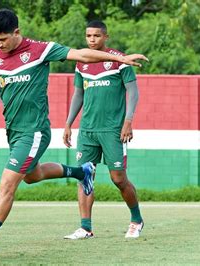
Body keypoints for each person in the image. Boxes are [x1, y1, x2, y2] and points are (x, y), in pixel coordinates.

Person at [0, 9, 148, 257]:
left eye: (3, 39)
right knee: (31, 175)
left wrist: (120, 59)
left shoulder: (41, 50)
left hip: (35, 131)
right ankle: (81, 172)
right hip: (14, 132)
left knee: (8, 183)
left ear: (16, 32)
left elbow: (80, 54)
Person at [62, 20, 144, 240]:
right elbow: (78, 94)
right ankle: (85, 227)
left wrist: (128, 120)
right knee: (84, 177)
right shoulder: (82, 64)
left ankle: (136, 220)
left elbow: (133, 92)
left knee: (118, 179)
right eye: (88, 36)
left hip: (113, 131)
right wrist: (69, 123)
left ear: (105, 37)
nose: (91, 40)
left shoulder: (120, 61)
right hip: (87, 131)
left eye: (96, 36)